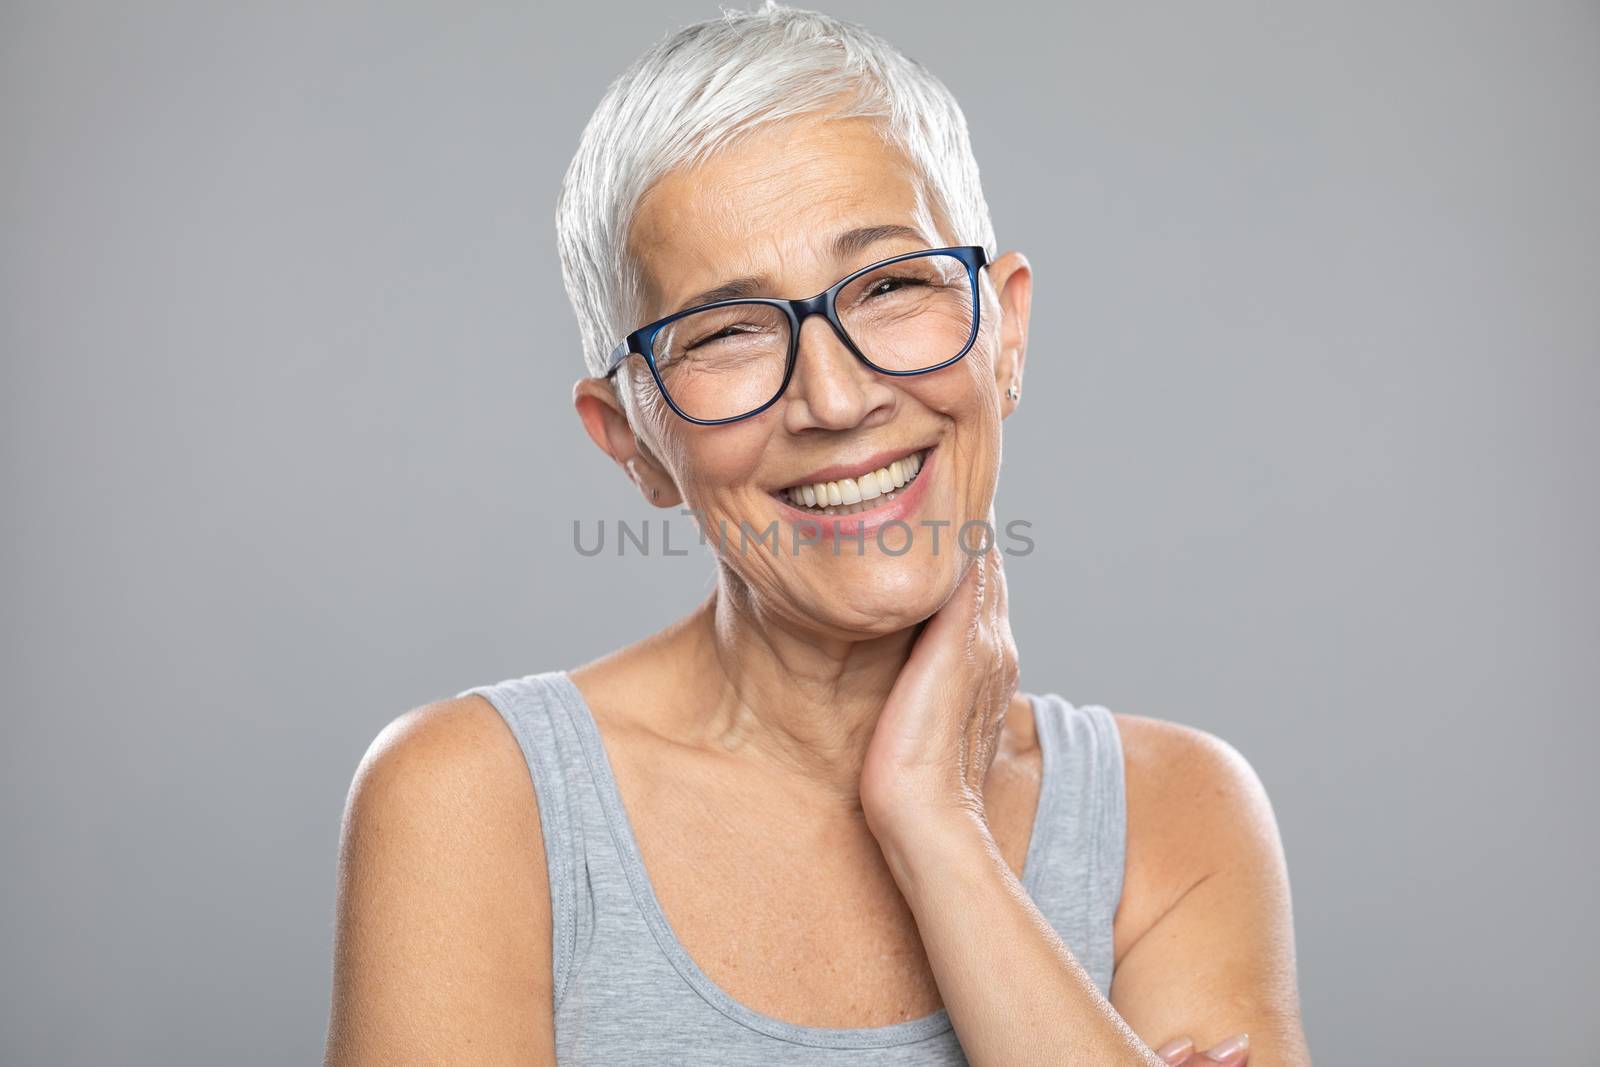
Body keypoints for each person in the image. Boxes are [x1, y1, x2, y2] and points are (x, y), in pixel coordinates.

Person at [324, 4, 1312, 1064]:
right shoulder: (475, 801)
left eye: (890, 285)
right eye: (729, 331)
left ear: (1006, 333)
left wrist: (937, 825)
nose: (835, 398)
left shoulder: (1177, 816)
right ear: (633, 442)